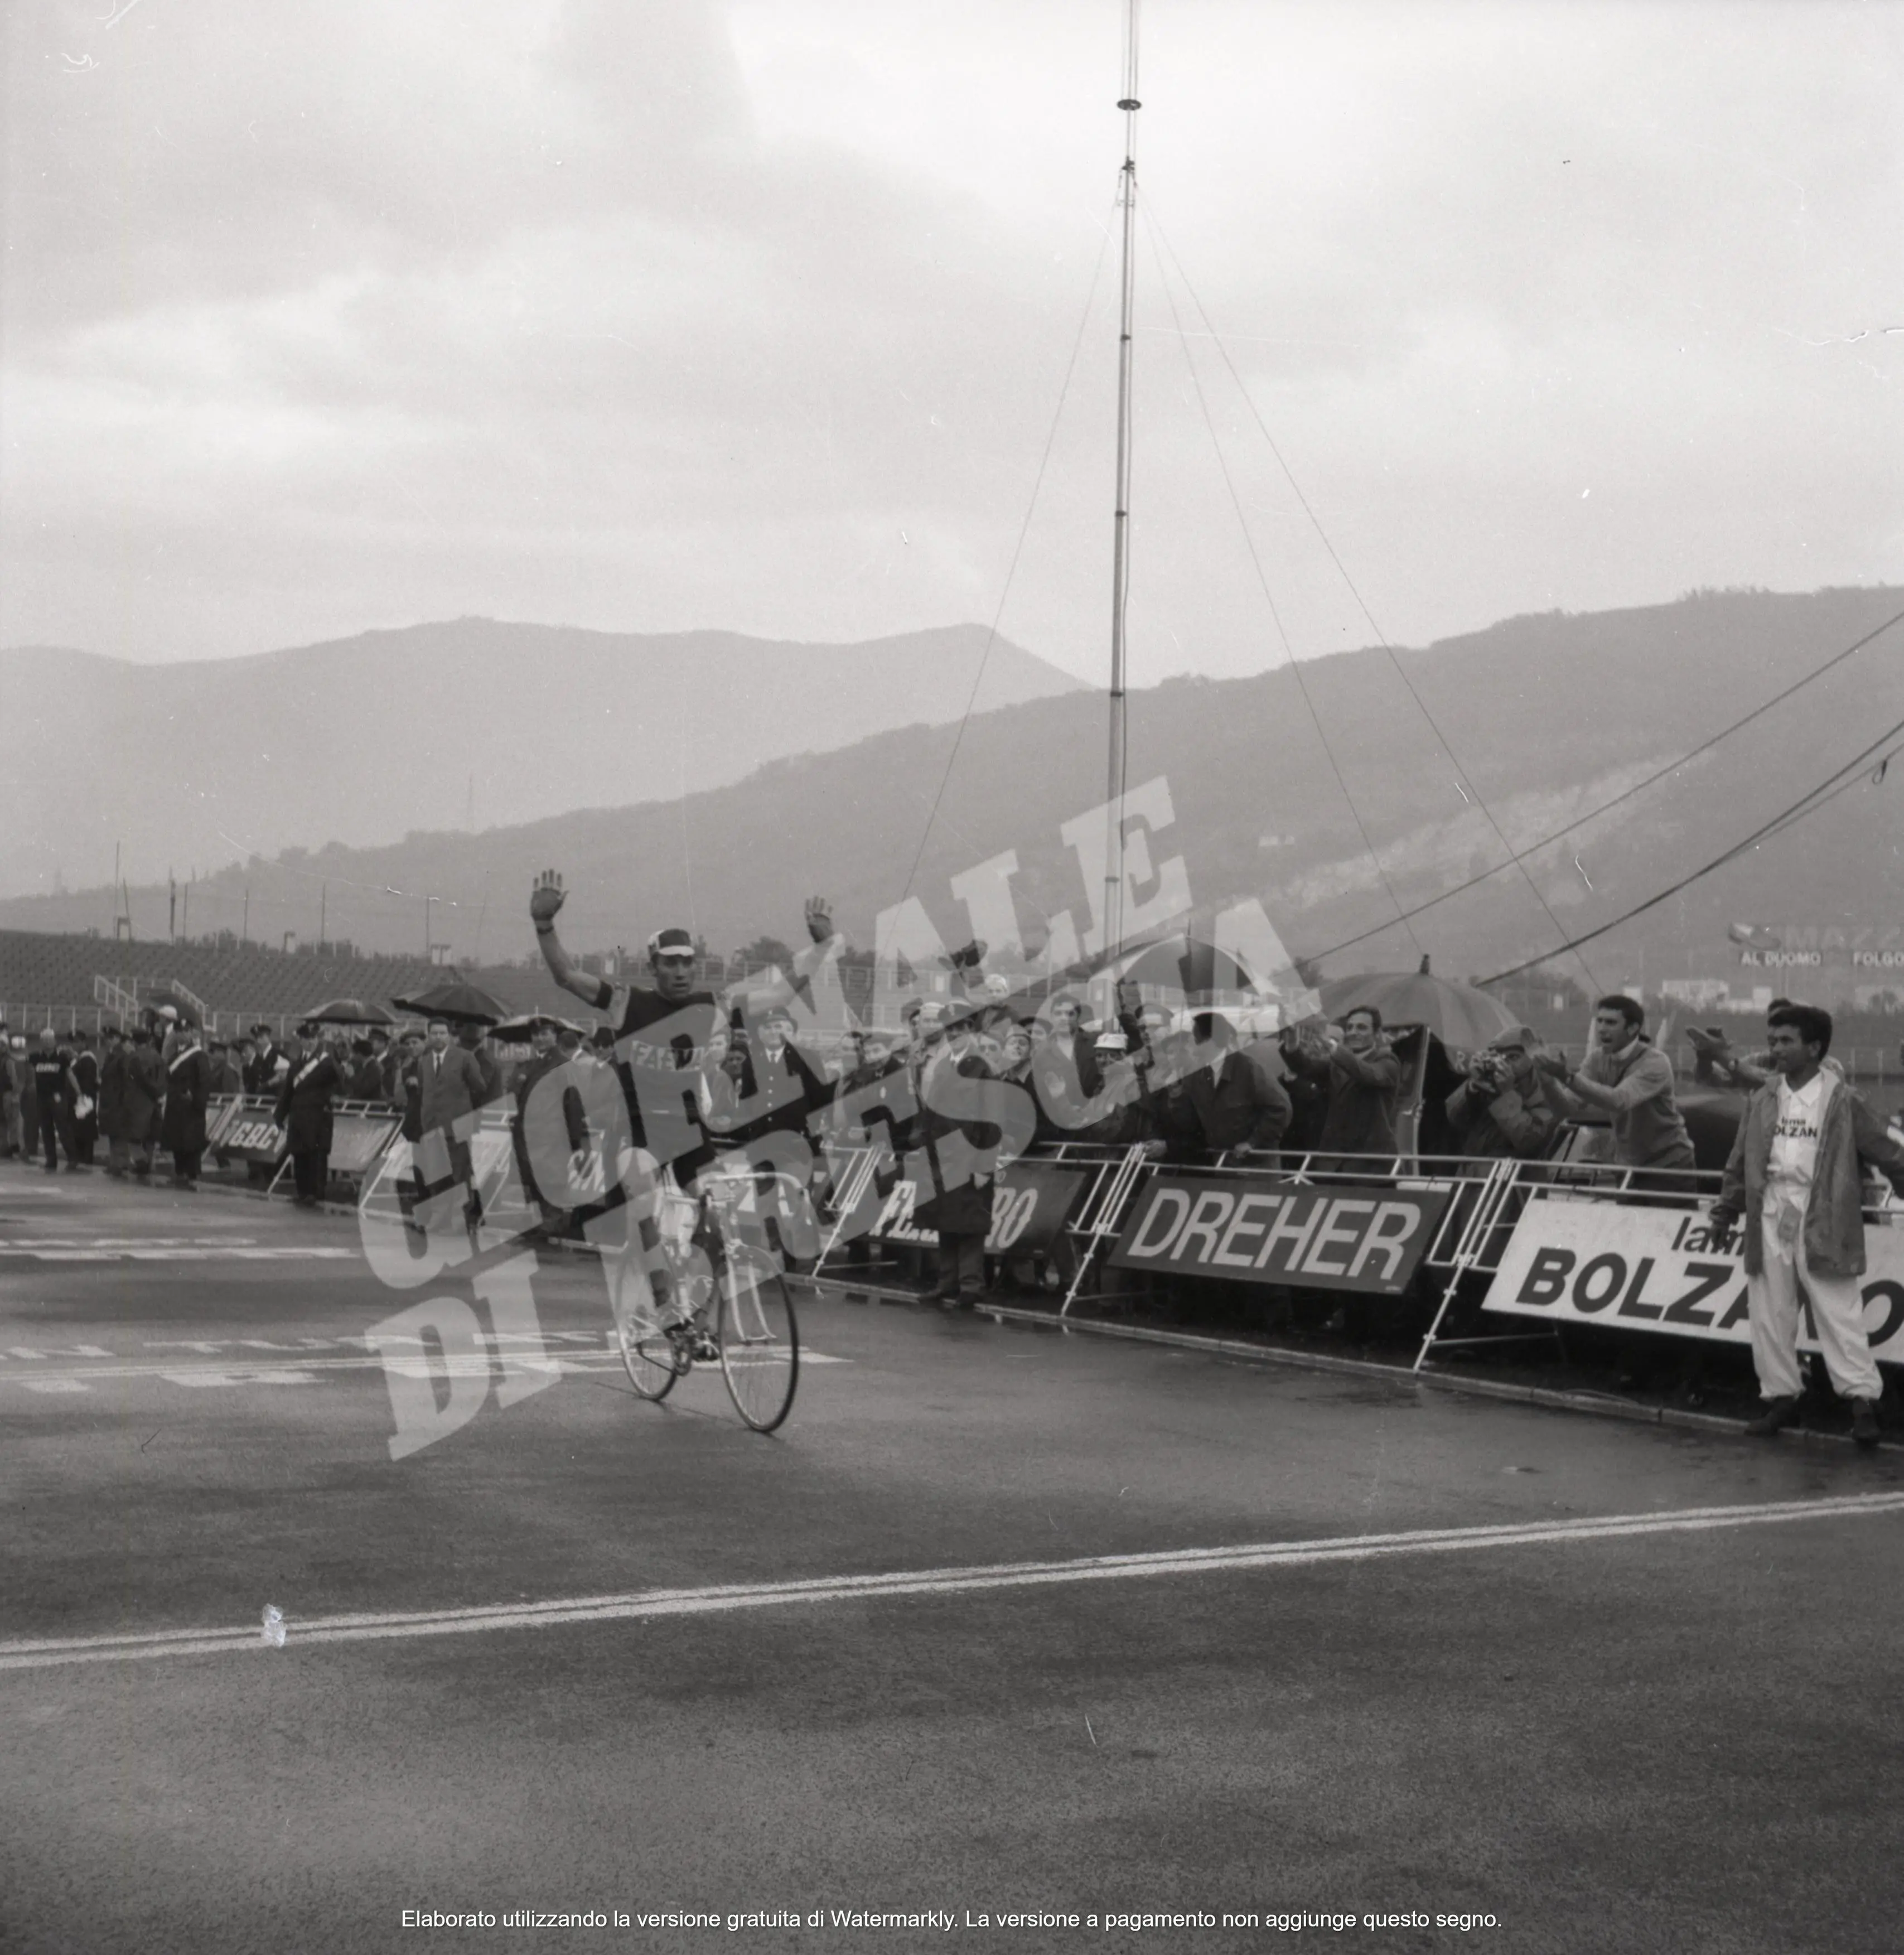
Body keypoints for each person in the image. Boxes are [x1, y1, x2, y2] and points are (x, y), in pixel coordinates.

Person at [1707, 1003, 1904, 1447]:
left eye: (1786, 1041)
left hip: (1825, 1214)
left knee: (1838, 1311)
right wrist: (1725, 1210)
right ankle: (1781, 1396)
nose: (1776, 1049)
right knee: (1769, 1311)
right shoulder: (1762, 1097)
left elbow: (1890, 1152)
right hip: (1771, 1212)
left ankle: (1862, 1404)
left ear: (1814, 1047)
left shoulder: (1845, 1099)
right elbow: (1739, 1160)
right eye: (1773, 1040)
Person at [1535, 995, 1695, 1194]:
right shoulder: (1597, 1059)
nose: (1602, 1028)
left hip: (1668, 1165)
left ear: (1633, 1029)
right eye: (1599, 1021)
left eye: (1611, 1023)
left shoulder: (1655, 1063)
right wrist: (1547, 1079)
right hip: (1627, 1166)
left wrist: (1567, 1077)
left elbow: (1619, 1100)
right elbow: (1567, 1107)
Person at [899, 998, 1002, 1307]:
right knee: (946, 1222)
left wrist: (985, 1166)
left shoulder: (982, 1066)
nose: (957, 1033)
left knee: (969, 1225)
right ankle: (947, 1283)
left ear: (972, 1030)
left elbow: (992, 1120)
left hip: (970, 1157)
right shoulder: (942, 1065)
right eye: (952, 1028)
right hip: (941, 1156)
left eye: (963, 1027)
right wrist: (921, 1139)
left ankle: (970, 1286)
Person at [1279, 1007, 1403, 1164]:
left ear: (1377, 1034)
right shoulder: (1337, 1065)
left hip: (1370, 1162)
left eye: (1362, 1028)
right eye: (1350, 1027)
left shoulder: (1388, 1063)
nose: (1353, 1032)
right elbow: (1305, 1067)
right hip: (1334, 1161)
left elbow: (1366, 1073)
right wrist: (1292, 1044)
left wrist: (1332, 1047)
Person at [1164, 1012, 1293, 1161]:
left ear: (1210, 1041)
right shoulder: (1195, 1075)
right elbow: (1190, 1124)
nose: (1189, 1044)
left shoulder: (1248, 1068)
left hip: (1256, 1167)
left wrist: (1253, 1142)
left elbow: (1281, 1108)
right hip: (1222, 1164)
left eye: (1194, 1038)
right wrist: (1176, 1096)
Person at [1444, 1026, 1559, 1163]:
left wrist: (1506, 1095)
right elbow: (1455, 1118)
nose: (1504, 1064)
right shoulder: (1490, 1086)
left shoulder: (1551, 1096)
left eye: (1513, 1057)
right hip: (1473, 1178)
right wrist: (1473, 1087)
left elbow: (1529, 1142)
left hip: (1516, 1179)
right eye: (1496, 1058)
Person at [275, 1024, 348, 1206]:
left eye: (314, 1039)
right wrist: (279, 1115)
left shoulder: (326, 1062)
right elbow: (288, 1093)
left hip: (317, 1118)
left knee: (316, 1156)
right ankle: (303, 1191)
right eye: (306, 1039)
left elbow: (340, 1082)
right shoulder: (296, 1064)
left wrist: (341, 1058)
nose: (310, 1042)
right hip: (299, 1118)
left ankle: (316, 1193)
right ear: (300, 1040)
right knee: (299, 1155)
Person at [161, 1021, 216, 1187]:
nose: (182, 1035)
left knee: (191, 1142)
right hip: (176, 1105)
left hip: (191, 1106)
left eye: (185, 1031)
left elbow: (205, 1081)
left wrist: (198, 1101)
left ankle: (191, 1175)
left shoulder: (199, 1056)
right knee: (178, 1141)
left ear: (191, 1033)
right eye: (178, 1032)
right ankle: (180, 1172)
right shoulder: (174, 1056)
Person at [119, 1028, 165, 1176]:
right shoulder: (157, 1056)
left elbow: (138, 1080)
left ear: (134, 1041)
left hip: (137, 1102)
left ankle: (142, 1163)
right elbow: (164, 1077)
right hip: (154, 1103)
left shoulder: (134, 1058)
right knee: (150, 1138)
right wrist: (159, 1093)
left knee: (134, 1140)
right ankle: (148, 1165)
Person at [30, 1028, 75, 1173]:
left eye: (50, 1039)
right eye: (45, 1040)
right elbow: (22, 1065)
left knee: (63, 1128)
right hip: (42, 1098)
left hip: (58, 1097)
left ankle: (72, 1158)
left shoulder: (62, 1058)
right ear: (41, 1042)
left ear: (55, 1041)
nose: (48, 1042)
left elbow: (70, 1075)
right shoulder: (35, 1057)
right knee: (46, 1129)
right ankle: (51, 1159)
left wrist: (79, 1092)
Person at [97, 1027, 129, 1175]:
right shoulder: (112, 1055)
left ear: (116, 1038)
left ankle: (120, 1163)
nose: (107, 1041)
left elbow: (125, 1079)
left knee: (119, 1133)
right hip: (110, 1100)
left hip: (117, 1100)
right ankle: (115, 1162)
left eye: (110, 1038)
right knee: (112, 1132)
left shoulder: (121, 1056)